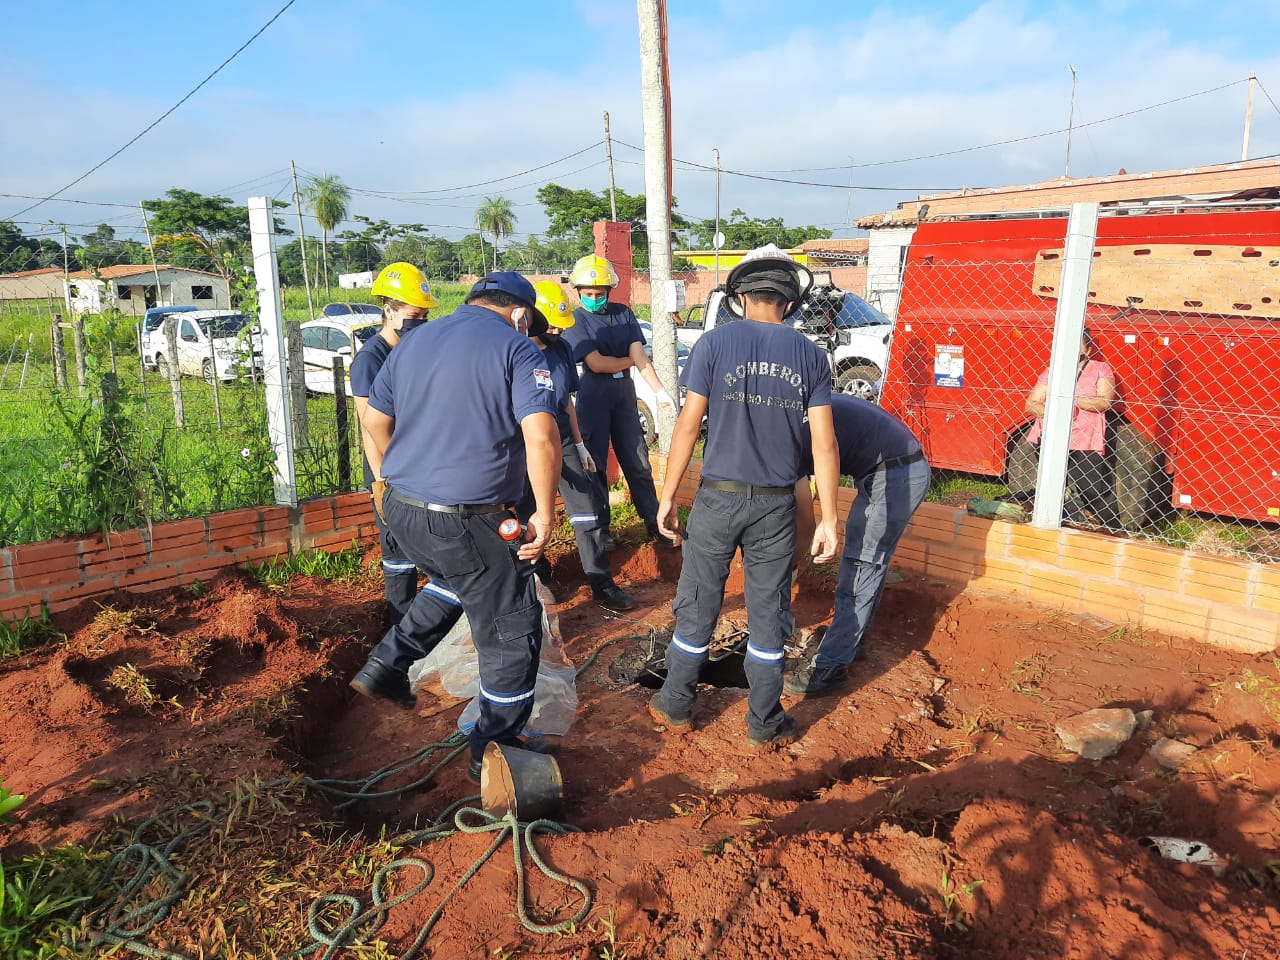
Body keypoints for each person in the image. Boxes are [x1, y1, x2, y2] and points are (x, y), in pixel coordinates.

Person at [350, 271, 562, 784]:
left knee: (456, 576)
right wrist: (545, 515)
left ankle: (388, 663)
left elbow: (374, 423)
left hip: (403, 509)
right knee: (512, 628)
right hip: (468, 516)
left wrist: (382, 484)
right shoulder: (517, 350)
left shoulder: (414, 343)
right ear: (518, 314)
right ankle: (495, 745)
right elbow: (542, 437)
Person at [647, 244, 841, 748]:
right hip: (777, 504)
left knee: (698, 599)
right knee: (768, 608)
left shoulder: (714, 345)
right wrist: (829, 517)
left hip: (717, 498)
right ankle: (763, 721)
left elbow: (688, 425)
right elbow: (824, 441)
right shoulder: (811, 355)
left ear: (739, 298)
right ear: (791, 304)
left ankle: (674, 703)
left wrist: (667, 495)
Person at [784, 395, 931, 696]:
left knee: (863, 563)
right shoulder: (790, 417)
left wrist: (786, 570)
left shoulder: (787, 441)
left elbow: (806, 528)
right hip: (892, 468)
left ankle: (831, 667)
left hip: (897, 474)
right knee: (867, 562)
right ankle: (850, 638)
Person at [518, 280, 636, 610]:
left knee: (586, 510)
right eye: (551, 324)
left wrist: (581, 444)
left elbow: (568, 400)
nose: (557, 330)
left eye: (561, 325)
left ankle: (601, 582)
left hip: (564, 440)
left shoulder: (561, 350)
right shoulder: (514, 351)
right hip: (526, 446)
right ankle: (538, 580)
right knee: (529, 513)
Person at [563, 254, 677, 548]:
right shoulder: (576, 320)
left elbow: (639, 354)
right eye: (587, 294)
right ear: (578, 292)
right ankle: (601, 531)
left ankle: (655, 523)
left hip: (625, 393)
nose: (593, 299)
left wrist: (660, 392)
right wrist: (635, 360)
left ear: (609, 292)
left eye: (599, 294)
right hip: (594, 392)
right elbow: (598, 363)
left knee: (638, 461)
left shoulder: (623, 314)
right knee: (595, 464)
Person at [348, 262, 438, 626]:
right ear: (389, 310)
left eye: (424, 315)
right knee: (398, 552)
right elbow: (370, 427)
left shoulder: (416, 351)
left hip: (421, 463)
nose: (420, 322)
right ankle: (398, 629)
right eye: (414, 315)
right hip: (391, 468)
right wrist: (384, 483)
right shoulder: (371, 360)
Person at [1024, 328, 1119, 531]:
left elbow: (1104, 401)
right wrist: (1051, 412)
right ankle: (1059, 526)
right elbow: (1031, 403)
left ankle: (1108, 531)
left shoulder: (1100, 368)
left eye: (1079, 345)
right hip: (1049, 438)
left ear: (1089, 348)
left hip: (1084, 440)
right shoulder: (1052, 371)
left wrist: (1069, 400)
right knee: (1053, 488)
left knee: (1093, 490)